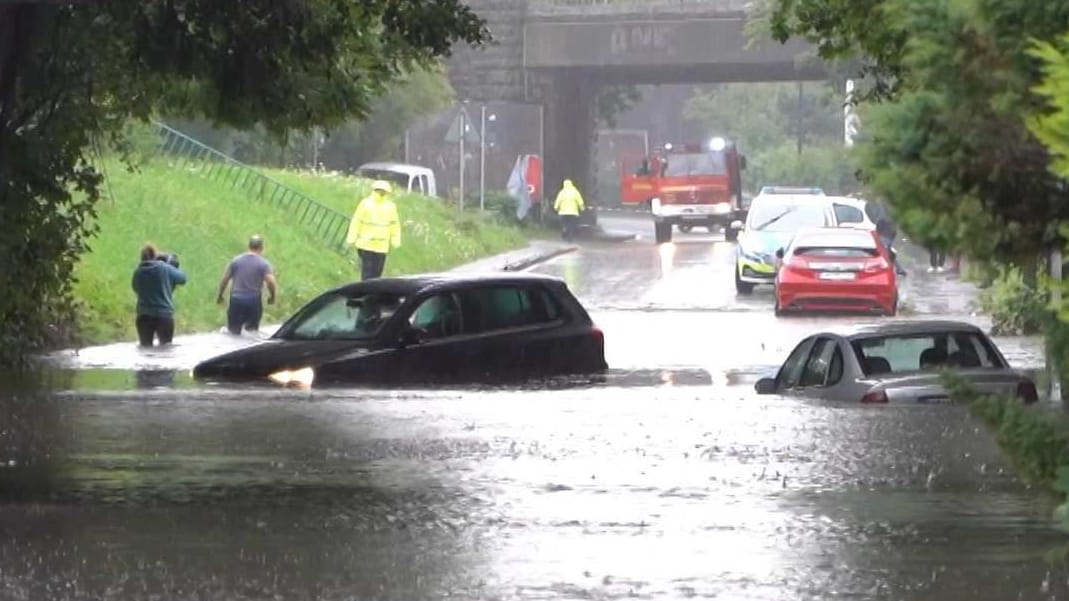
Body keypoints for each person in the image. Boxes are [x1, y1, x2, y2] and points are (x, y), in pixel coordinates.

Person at [216, 235, 278, 335]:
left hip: (236, 299)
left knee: (233, 333)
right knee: (251, 333)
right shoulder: (263, 264)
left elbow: (225, 280)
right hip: (253, 301)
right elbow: (271, 282)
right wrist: (273, 297)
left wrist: (220, 295)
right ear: (261, 248)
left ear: (248, 246)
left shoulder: (236, 261)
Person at [131, 244, 187, 347]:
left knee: (145, 349)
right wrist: (173, 265)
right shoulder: (165, 268)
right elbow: (183, 278)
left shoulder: (138, 272)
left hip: (143, 316)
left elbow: (135, 288)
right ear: (155, 256)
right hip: (163, 315)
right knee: (166, 348)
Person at [347, 179, 401, 280]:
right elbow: (357, 221)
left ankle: (372, 294)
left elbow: (394, 225)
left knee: (377, 274)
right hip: (365, 245)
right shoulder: (365, 204)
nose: (381, 192)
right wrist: (351, 238)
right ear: (374, 190)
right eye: (378, 190)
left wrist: (395, 240)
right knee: (367, 273)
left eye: (383, 191)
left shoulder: (390, 207)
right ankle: (365, 293)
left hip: (381, 247)